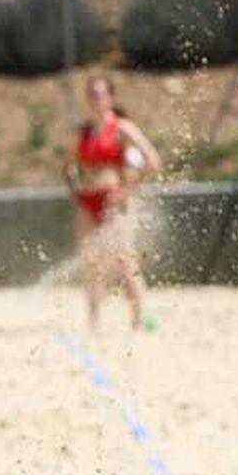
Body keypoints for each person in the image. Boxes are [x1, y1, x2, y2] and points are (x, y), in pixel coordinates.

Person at [64, 75, 162, 331]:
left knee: (124, 260)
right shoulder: (85, 131)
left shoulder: (122, 128)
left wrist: (128, 190)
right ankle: (94, 320)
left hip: (114, 200)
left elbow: (153, 160)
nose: (97, 99)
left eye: (101, 94)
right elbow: (70, 165)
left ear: (111, 97)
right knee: (90, 261)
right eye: (92, 95)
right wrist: (75, 188)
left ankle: (140, 318)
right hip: (88, 201)